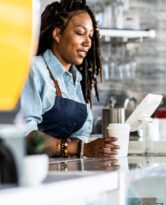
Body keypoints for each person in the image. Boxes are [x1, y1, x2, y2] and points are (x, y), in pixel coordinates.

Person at [20, 0, 119, 157]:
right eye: (80, 33)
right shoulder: (33, 70)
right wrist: (80, 149)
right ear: (57, 34)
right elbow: (26, 137)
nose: (88, 43)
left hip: (63, 170)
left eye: (91, 36)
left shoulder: (77, 80)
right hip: (31, 172)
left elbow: (82, 133)